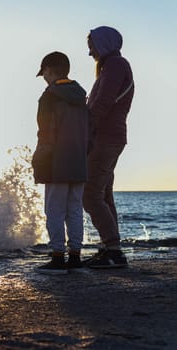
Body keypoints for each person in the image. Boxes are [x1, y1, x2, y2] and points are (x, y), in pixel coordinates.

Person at [32, 51, 89, 274]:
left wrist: (39, 159)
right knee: (74, 210)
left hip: (56, 161)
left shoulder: (49, 97)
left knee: (54, 210)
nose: (44, 77)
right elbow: (89, 131)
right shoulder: (81, 96)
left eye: (44, 72)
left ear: (50, 70)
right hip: (79, 161)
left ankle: (57, 257)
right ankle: (75, 256)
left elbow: (45, 132)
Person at [83, 26, 134, 268]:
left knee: (90, 195)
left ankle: (113, 250)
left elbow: (104, 101)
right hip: (111, 136)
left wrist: (88, 130)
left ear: (103, 43)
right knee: (102, 194)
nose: (89, 51)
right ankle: (110, 249)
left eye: (91, 44)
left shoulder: (115, 66)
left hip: (105, 137)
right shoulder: (112, 66)